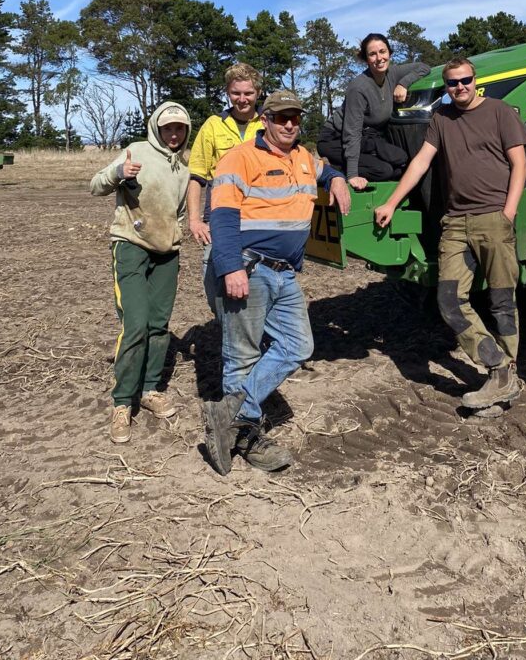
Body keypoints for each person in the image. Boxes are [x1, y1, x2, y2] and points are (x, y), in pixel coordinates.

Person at [203, 90, 351, 475]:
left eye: (295, 118)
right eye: (281, 117)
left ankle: (231, 412)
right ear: (265, 119)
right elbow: (220, 216)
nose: (289, 124)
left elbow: (326, 170)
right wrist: (230, 267)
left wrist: (336, 180)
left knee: (299, 345)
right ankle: (246, 437)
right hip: (250, 270)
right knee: (242, 356)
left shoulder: (304, 157)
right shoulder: (240, 157)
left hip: (285, 273)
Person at [375, 58, 526, 410]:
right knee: (449, 299)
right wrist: (392, 202)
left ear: (476, 80)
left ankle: (505, 380)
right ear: (445, 87)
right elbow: (420, 163)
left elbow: (519, 163)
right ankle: (499, 367)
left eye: (465, 80)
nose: (460, 87)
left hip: (493, 219)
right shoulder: (441, 119)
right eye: (452, 83)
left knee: (502, 301)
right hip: (456, 222)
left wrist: (508, 213)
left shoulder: (500, 112)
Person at [90, 102, 191, 444]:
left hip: (167, 253)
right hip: (130, 245)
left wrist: (177, 234)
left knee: (158, 325)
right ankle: (122, 403)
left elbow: (178, 211)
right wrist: (118, 174)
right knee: (135, 323)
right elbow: (95, 185)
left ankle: (149, 390)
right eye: (168, 129)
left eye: (180, 129)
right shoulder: (135, 152)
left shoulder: (183, 167)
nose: (174, 134)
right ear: (157, 129)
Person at [317, 33, 430, 190]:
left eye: (382, 52)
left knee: (401, 161)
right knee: (383, 171)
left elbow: (423, 67)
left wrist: (403, 83)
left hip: (367, 138)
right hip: (335, 139)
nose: (379, 58)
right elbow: (352, 133)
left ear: (389, 52)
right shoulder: (359, 88)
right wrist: (352, 175)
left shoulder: (393, 74)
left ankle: (371, 160)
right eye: (372, 54)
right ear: (366, 59)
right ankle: (330, 171)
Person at [187, 64, 264, 281]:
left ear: (258, 93)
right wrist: (194, 220)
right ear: (227, 93)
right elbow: (196, 176)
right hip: (220, 216)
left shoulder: (270, 124)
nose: (242, 99)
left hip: (261, 216)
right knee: (219, 280)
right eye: (235, 93)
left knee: (259, 279)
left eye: (248, 93)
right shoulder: (213, 125)